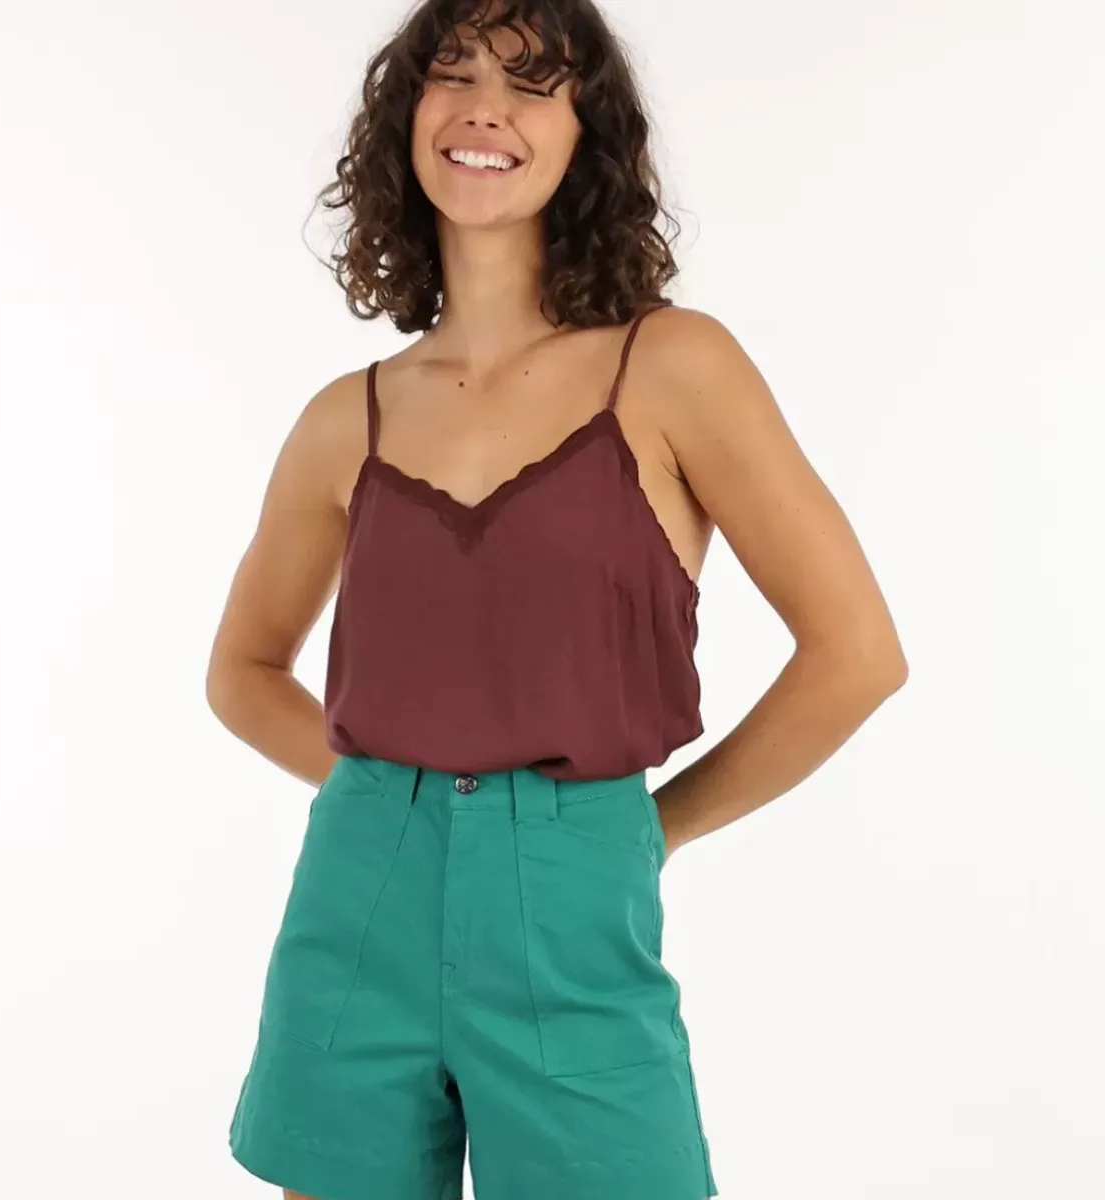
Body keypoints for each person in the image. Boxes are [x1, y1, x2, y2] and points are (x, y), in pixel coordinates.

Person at [206, 2, 909, 1198]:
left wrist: (649, 829)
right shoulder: (345, 417)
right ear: (406, 116)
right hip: (358, 910)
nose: (485, 108)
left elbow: (857, 654)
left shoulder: (674, 366)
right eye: (453, 73)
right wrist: (399, 800)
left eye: (533, 84)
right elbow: (242, 672)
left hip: (575, 902)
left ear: (590, 136)